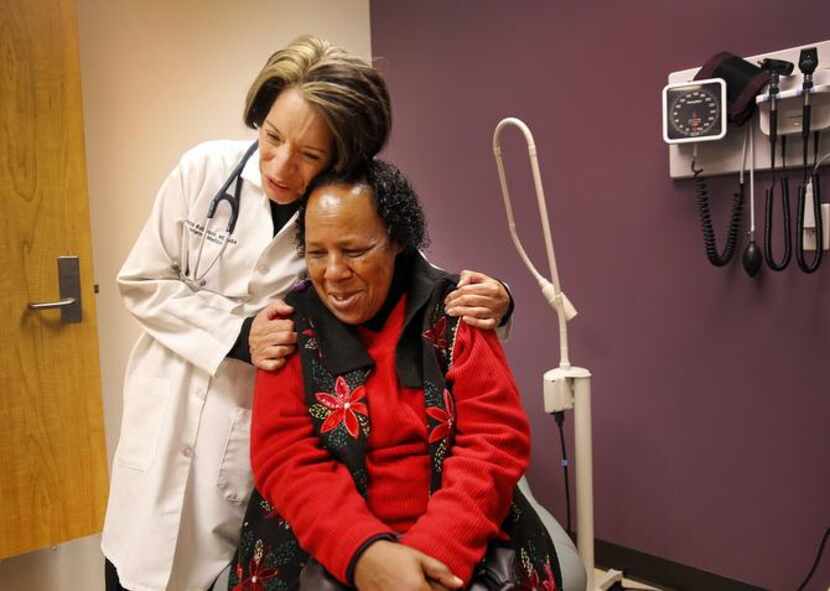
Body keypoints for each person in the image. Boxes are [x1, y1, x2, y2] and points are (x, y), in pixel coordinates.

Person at [103, 36, 513, 591]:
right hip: (167, 410)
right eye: (272, 137)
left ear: (342, 158)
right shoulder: (203, 173)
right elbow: (141, 280)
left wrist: (500, 298)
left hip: (238, 437)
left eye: (310, 155)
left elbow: (414, 276)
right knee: (130, 569)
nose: (280, 164)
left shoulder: (341, 211)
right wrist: (237, 334)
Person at [230, 160, 563, 591]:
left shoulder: (457, 311)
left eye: (353, 251)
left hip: (455, 538)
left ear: (397, 242)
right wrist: (364, 553)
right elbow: (285, 458)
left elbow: (493, 443)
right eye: (316, 253)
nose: (332, 272)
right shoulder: (289, 326)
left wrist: (432, 554)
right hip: (323, 537)